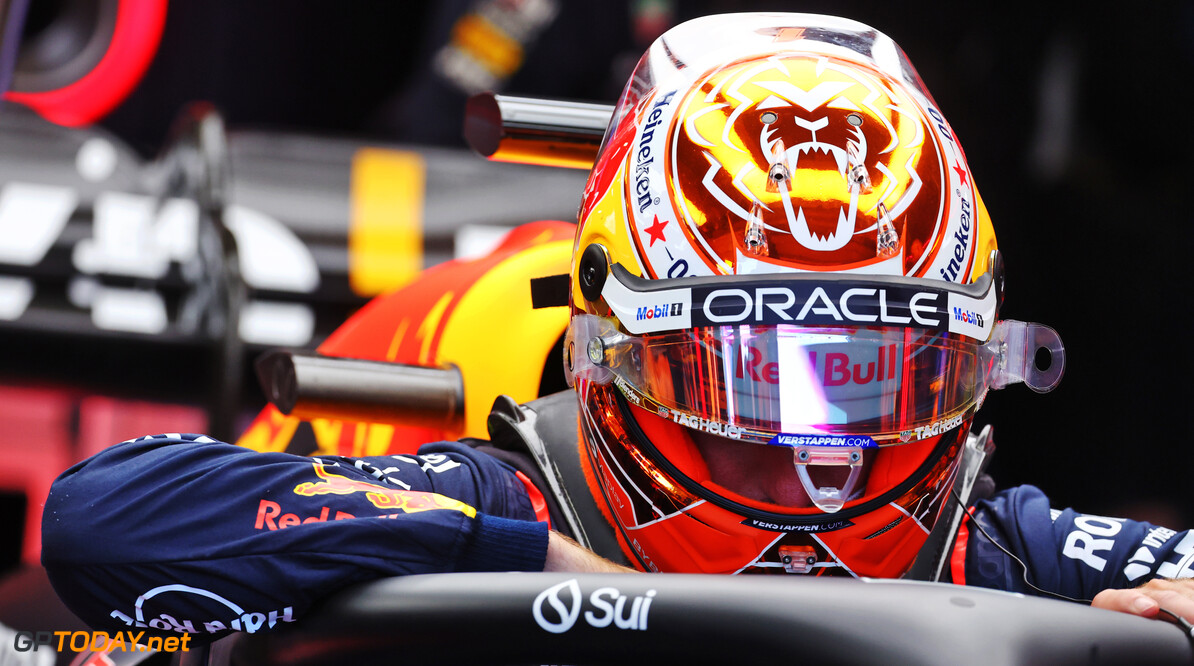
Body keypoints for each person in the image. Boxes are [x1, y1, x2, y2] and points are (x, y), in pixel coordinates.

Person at [40, 12, 1194, 643]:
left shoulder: (994, 545)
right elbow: (103, 521)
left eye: (876, 383)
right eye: (746, 385)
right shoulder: (516, 498)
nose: (822, 465)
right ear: (615, 358)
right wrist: (521, 564)